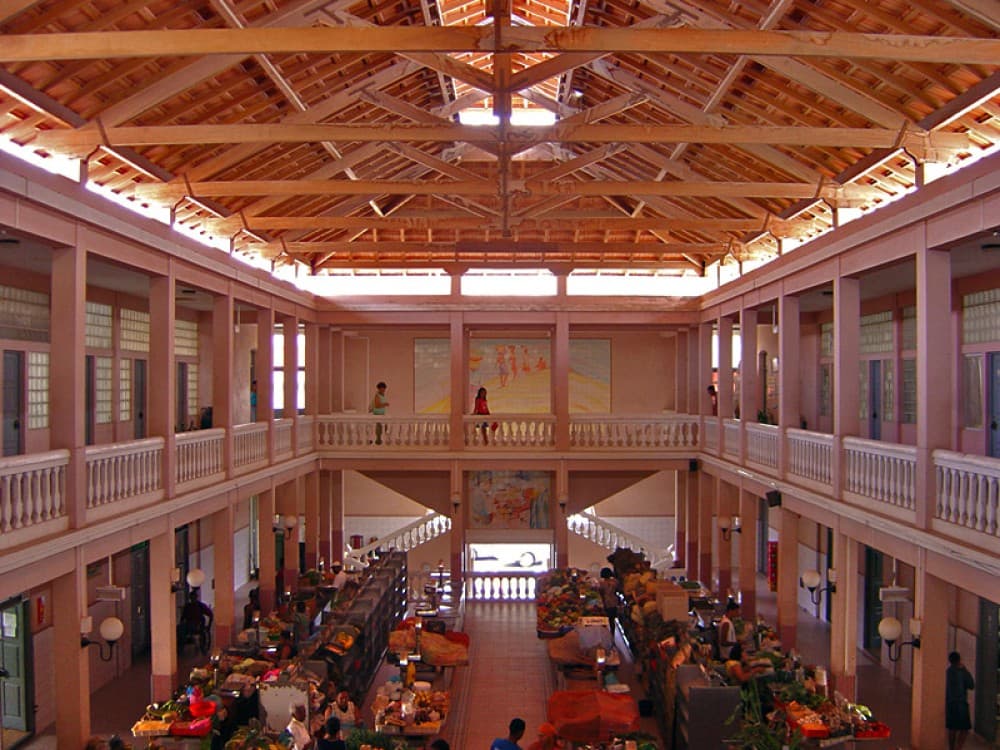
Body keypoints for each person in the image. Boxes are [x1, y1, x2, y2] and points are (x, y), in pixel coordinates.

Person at [946, 650, 975, 750]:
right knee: (964, 728)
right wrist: (965, 669)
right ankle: (959, 747)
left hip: (950, 703)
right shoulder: (962, 672)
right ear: (959, 660)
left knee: (952, 728)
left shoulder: (948, 672)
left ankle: (951, 748)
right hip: (961, 703)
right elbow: (971, 685)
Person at [598, 567, 619, 635]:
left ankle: (609, 633)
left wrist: (603, 603)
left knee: (609, 618)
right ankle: (613, 632)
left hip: (607, 602)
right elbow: (617, 591)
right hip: (614, 601)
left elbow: (601, 594)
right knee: (614, 618)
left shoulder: (602, 584)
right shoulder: (615, 582)